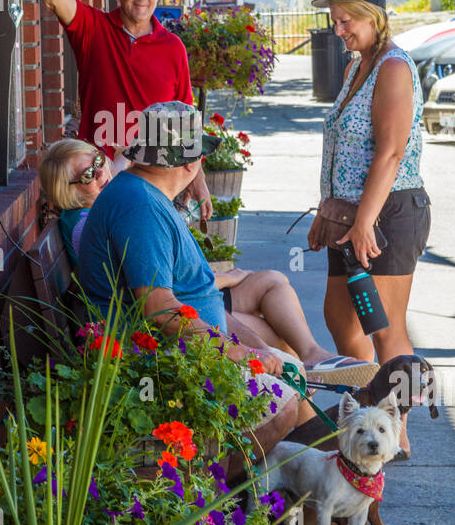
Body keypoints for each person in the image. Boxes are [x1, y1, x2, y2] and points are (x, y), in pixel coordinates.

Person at [78, 102, 335, 480]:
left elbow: (200, 298)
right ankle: (206, 496)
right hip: (160, 364)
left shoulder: (143, 193)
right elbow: (159, 309)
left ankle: (316, 487)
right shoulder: (140, 209)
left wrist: (256, 349)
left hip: (187, 350)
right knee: (282, 403)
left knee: (289, 368)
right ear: (188, 164)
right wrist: (235, 352)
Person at [40, 131, 375, 385]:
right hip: (158, 335)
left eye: (98, 162)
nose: (100, 174)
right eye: (87, 176)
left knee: (271, 288)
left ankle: (310, 366)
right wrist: (226, 281)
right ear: (65, 191)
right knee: (271, 332)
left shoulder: (123, 199)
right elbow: (157, 298)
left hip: (187, 307)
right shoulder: (121, 212)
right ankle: (308, 395)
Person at [307, 0, 431, 458]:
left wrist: (364, 222)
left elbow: (390, 153)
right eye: (333, 19)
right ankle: (370, 415)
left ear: (373, 17)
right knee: (341, 317)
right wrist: (327, 210)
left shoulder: (393, 68)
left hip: (390, 212)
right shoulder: (356, 67)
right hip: (349, 216)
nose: (338, 28)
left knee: (385, 327)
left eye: (346, 19)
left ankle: (394, 432)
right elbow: (339, 147)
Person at [33, 0, 213, 217]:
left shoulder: (173, 47)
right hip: (98, 185)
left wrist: (198, 179)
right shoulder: (93, 29)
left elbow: (184, 122)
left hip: (154, 188)